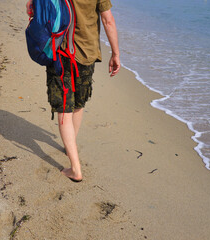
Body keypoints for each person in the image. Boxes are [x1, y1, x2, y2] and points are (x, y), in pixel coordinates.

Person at [26, 0, 120, 182]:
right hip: (87, 54)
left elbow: (33, 9)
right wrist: (115, 54)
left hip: (60, 51)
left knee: (64, 109)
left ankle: (75, 168)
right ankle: (71, 146)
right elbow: (108, 20)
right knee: (78, 103)